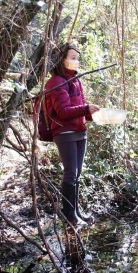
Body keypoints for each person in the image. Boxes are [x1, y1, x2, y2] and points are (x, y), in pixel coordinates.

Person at [45, 43, 100, 227]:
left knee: (77, 174)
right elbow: (63, 111)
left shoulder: (76, 80)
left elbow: (79, 110)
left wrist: (94, 114)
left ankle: (76, 212)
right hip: (65, 132)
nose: (77, 62)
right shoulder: (55, 82)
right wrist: (85, 108)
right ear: (62, 60)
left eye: (77, 58)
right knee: (70, 173)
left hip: (79, 131)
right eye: (73, 58)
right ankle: (69, 216)